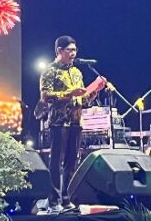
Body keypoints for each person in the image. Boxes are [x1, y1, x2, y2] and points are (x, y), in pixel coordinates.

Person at [38, 35, 105, 213]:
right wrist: (69, 93)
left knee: (71, 161)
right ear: (59, 51)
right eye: (70, 50)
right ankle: (53, 200)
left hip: (76, 121)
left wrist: (94, 91)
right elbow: (45, 97)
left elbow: (82, 100)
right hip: (59, 122)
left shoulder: (77, 72)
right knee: (56, 161)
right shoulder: (50, 71)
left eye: (75, 50)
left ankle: (66, 198)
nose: (73, 53)